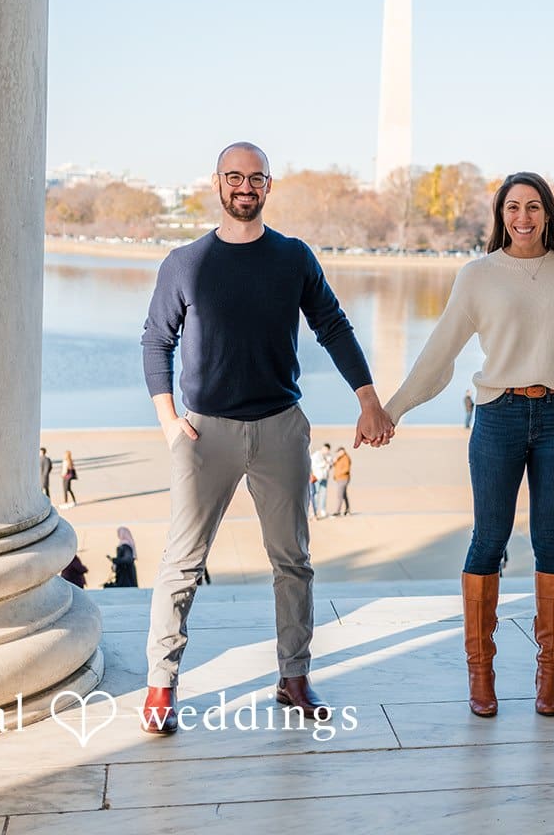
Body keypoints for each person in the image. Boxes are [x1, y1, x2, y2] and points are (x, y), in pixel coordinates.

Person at [137, 141, 392, 736]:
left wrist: (368, 397)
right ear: (217, 183)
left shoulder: (293, 258)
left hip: (281, 428)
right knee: (182, 561)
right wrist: (171, 423)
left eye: (255, 178)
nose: (244, 187)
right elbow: (156, 340)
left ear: (268, 186)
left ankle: (293, 677)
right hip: (207, 433)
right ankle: (160, 685)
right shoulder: (185, 262)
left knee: (293, 561)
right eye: (234, 177)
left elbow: (332, 325)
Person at [383, 171, 554, 719]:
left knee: (553, 541)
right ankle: (480, 674)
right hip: (497, 416)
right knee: (489, 539)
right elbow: (440, 352)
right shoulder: (477, 275)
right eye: (512, 208)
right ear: (500, 215)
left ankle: (548, 677)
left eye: (533, 207)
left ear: (548, 213)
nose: (523, 218)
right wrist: (392, 409)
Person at [310, 443, 332, 519]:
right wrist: (324, 464)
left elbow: (330, 465)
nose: (326, 451)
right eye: (325, 449)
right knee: (315, 494)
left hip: (325, 477)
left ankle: (323, 510)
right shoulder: (316, 455)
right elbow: (313, 464)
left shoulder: (329, 456)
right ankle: (314, 511)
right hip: (317, 477)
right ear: (323, 448)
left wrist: (328, 464)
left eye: (328, 450)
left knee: (324, 494)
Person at [329, 446, 352, 517]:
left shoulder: (346, 458)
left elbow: (346, 469)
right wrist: (335, 460)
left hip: (343, 479)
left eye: (338, 452)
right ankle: (347, 510)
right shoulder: (339, 458)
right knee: (344, 495)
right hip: (339, 479)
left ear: (342, 451)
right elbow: (332, 466)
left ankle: (338, 512)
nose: (338, 454)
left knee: (340, 495)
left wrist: (338, 474)